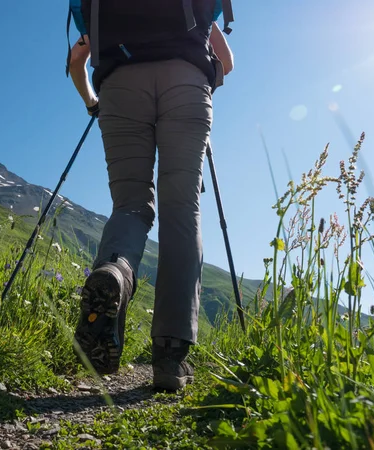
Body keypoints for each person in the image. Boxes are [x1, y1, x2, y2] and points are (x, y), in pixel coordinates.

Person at [67, 0, 234, 391]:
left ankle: (115, 270)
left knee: (130, 204)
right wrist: (201, 86)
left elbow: (78, 59)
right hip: (187, 84)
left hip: (119, 87)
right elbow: (225, 59)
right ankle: (170, 357)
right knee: (182, 210)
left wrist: (93, 101)